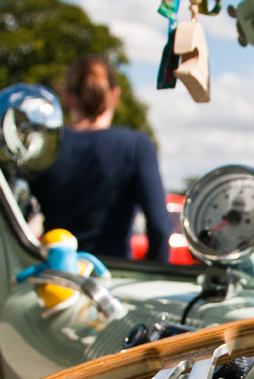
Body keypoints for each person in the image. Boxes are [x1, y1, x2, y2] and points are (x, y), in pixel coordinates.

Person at [29, 56, 171, 260]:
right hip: (112, 278)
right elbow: (160, 228)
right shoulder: (135, 146)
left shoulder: (45, 146)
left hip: (56, 278)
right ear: (115, 95)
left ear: (68, 97)